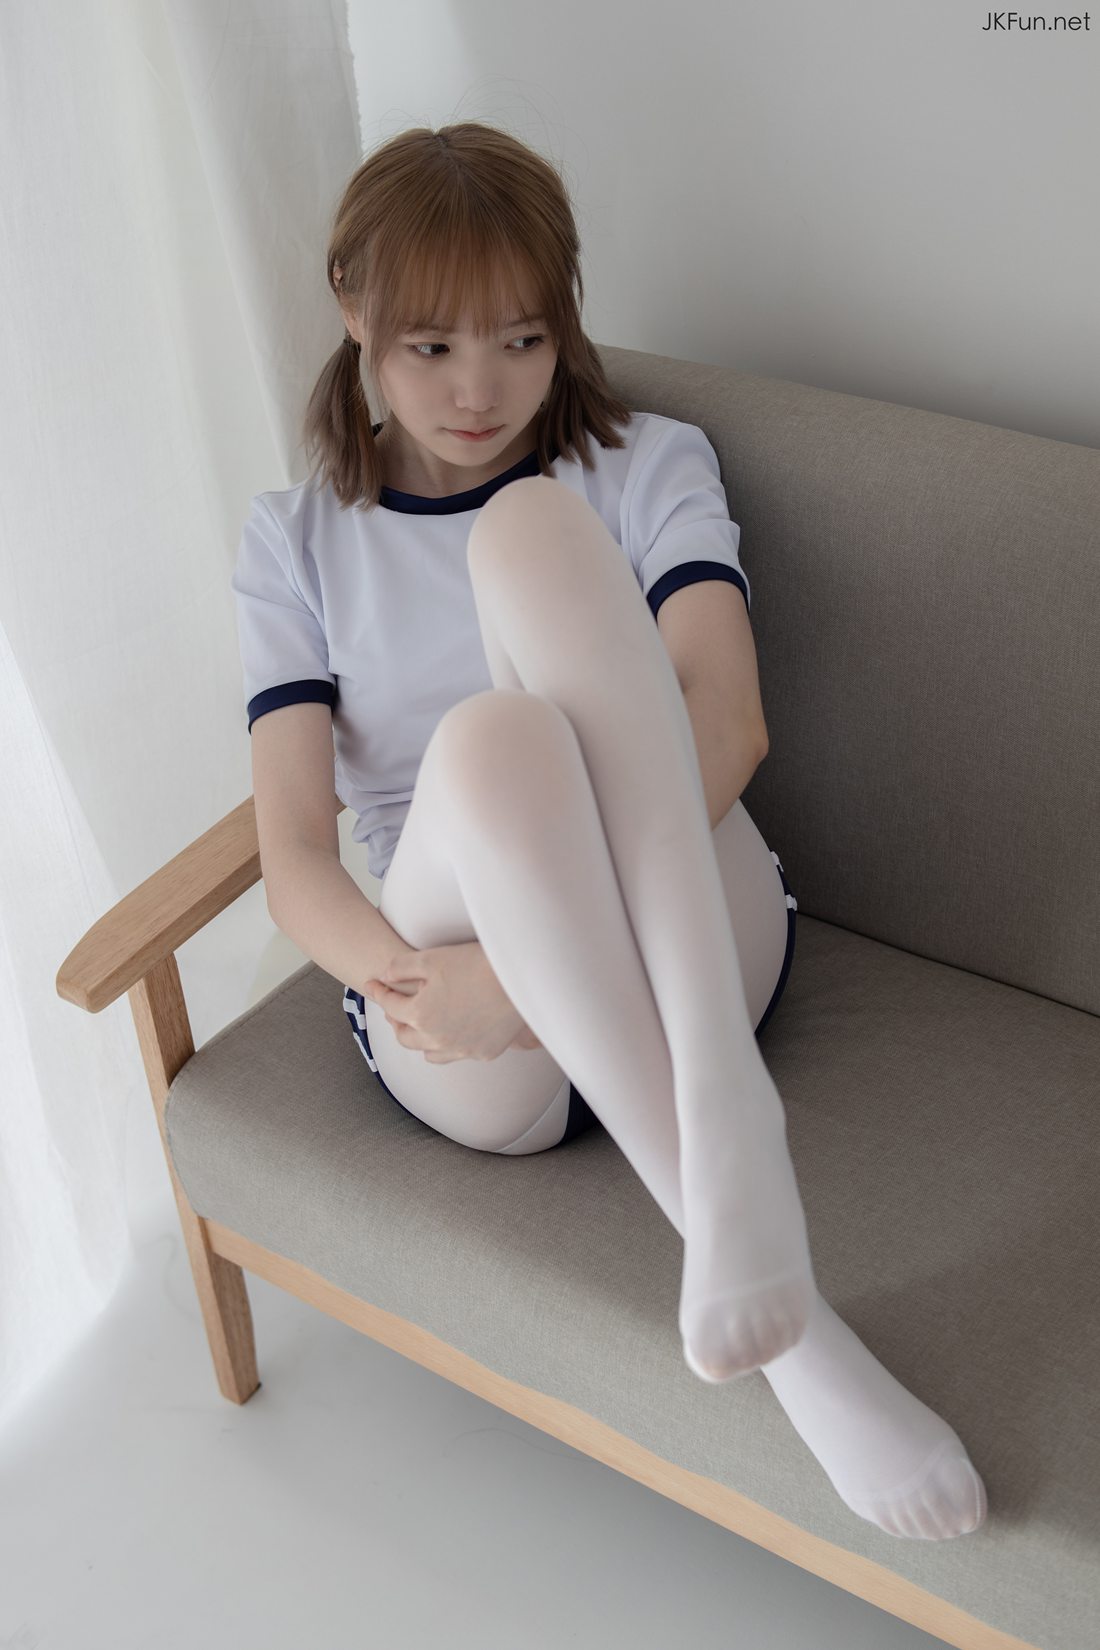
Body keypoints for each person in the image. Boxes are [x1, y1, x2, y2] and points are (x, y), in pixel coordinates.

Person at [232, 120, 987, 1541]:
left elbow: (727, 725)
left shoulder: (645, 463)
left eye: (522, 340)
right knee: (492, 744)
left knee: (528, 535)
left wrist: (543, 973)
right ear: (352, 307)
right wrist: (438, 983)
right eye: (432, 347)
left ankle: (723, 1098)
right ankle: (797, 1327)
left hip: (694, 932)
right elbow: (296, 861)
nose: (480, 389)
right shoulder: (297, 541)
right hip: (464, 1023)